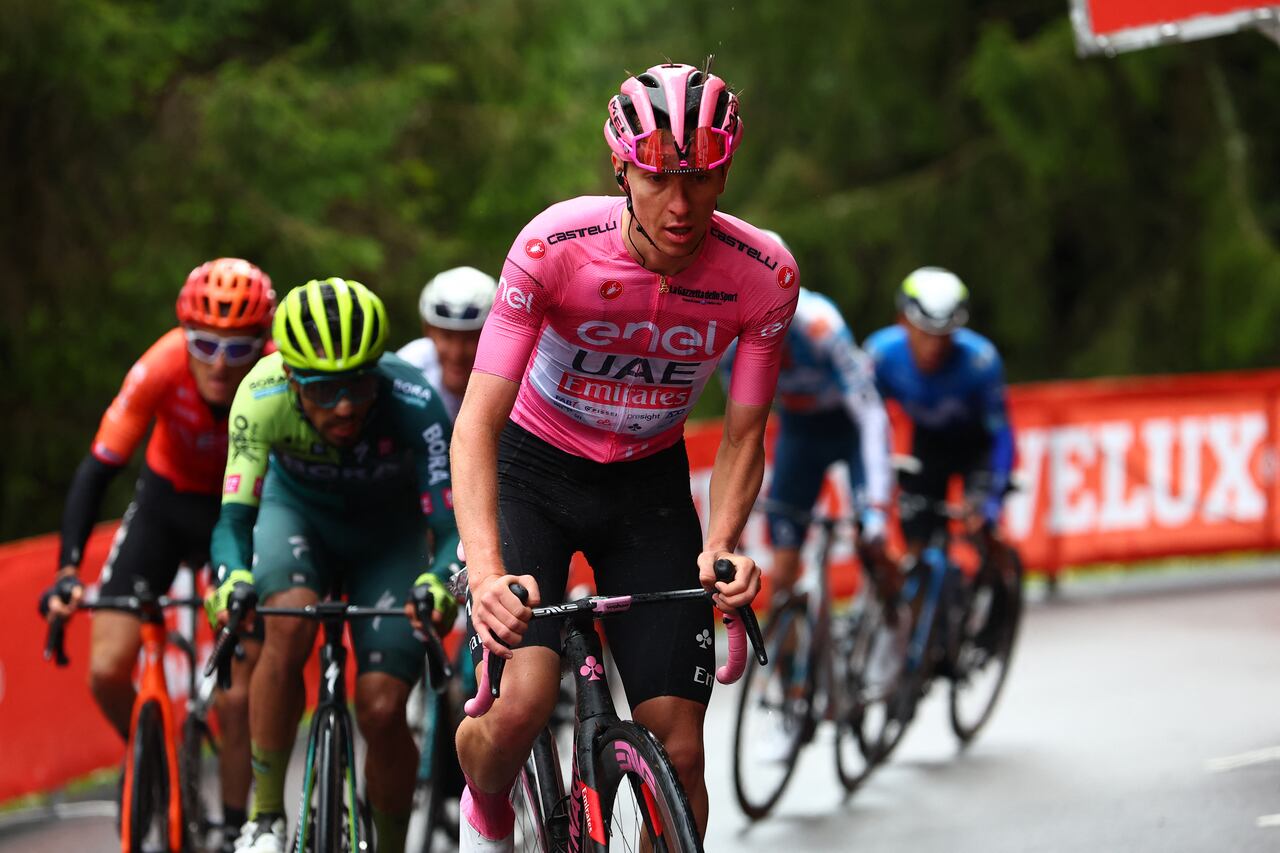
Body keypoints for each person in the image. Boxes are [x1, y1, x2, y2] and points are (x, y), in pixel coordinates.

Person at [450, 61, 799, 851]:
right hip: (534, 472)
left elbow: (745, 433)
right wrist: (482, 574)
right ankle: (488, 805)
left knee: (679, 751)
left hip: (648, 488)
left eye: (704, 179)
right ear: (621, 166)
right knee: (521, 705)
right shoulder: (553, 244)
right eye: (658, 178)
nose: (682, 206)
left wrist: (722, 545)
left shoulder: (763, 275)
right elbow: (476, 424)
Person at [205, 278, 461, 853]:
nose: (344, 406)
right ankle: (266, 818)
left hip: (387, 540)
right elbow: (233, 523)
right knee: (287, 623)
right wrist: (231, 581)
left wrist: (437, 585)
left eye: (357, 386)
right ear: (291, 378)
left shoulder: (415, 402)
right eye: (322, 392)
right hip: (296, 520)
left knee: (381, 705)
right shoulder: (259, 396)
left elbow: (448, 532)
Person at [40, 257, 275, 847]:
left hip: (241, 511)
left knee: (238, 687)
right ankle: (158, 755)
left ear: (262, 342)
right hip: (166, 507)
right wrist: (68, 572)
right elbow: (97, 470)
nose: (220, 365)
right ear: (183, 337)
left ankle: (227, 825)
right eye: (205, 344)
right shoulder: (161, 365)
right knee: (105, 669)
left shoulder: (277, 372)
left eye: (239, 348)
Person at [719, 232, 893, 604]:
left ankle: (898, 631)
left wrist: (876, 506)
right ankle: (793, 661)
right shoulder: (729, 337)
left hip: (847, 428)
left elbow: (871, 414)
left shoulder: (821, 328)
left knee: (873, 541)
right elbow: (740, 429)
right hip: (799, 432)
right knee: (782, 570)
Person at [864, 267, 1014, 555]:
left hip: (977, 449)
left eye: (944, 336)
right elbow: (869, 419)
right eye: (925, 333)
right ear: (903, 322)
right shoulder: (881, 356)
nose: (934, 345)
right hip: (929, 446)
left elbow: (1002, 433)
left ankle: (1000, 575)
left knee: (981, 528)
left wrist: (992, 501)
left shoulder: (981, 361)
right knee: (917, 546)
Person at [398, 266, 498, 421]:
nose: (456, 354)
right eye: (447, 336)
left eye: (470, 338)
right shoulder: (406, 370)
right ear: (427, 331)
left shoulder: (516, 382)